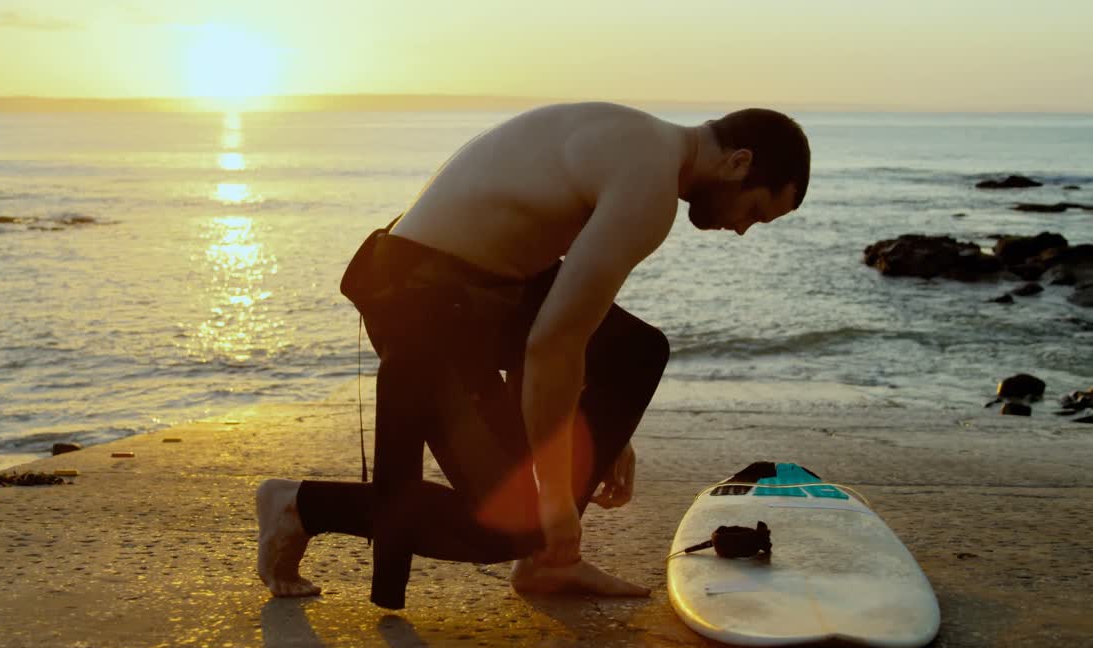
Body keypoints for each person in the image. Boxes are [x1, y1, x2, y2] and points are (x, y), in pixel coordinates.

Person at [257, 102, 810, 609]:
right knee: (512, 521)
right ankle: (300, 507)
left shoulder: (639, 138)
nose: (741, 228)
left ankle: (548, 561)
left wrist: (606, 426)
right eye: (756, 212)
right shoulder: (650, 185)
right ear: (740, 163)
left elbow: (568, 317)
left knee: (635, 351)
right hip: (423, 304)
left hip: (480, 292)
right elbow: (554, 342)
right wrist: (553, 496)